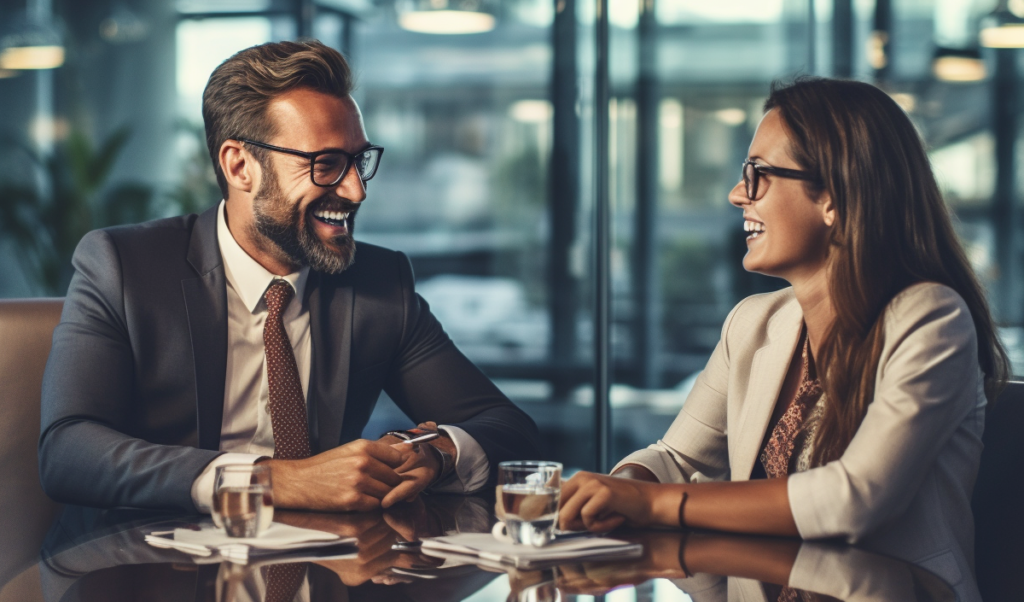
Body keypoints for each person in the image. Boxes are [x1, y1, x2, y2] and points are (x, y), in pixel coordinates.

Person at [38, 40, 541, 515]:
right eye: (325, 164)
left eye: (358, 161)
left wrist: (434, 451)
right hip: (151, 568)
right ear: (240, 166)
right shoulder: (124, 267)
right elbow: (68, 451)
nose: (355, 191)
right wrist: (276, 480)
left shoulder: (380, 282)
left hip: (327, 567)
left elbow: (507, 428)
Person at [558, 77, 1007, 600]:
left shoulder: (930, 317)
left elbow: (854, 501)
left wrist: (652, 504)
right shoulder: (753, 322)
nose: (736, 194)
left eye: (758, 174)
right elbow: (678, 461)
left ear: (834, 198)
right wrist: (623, 486)